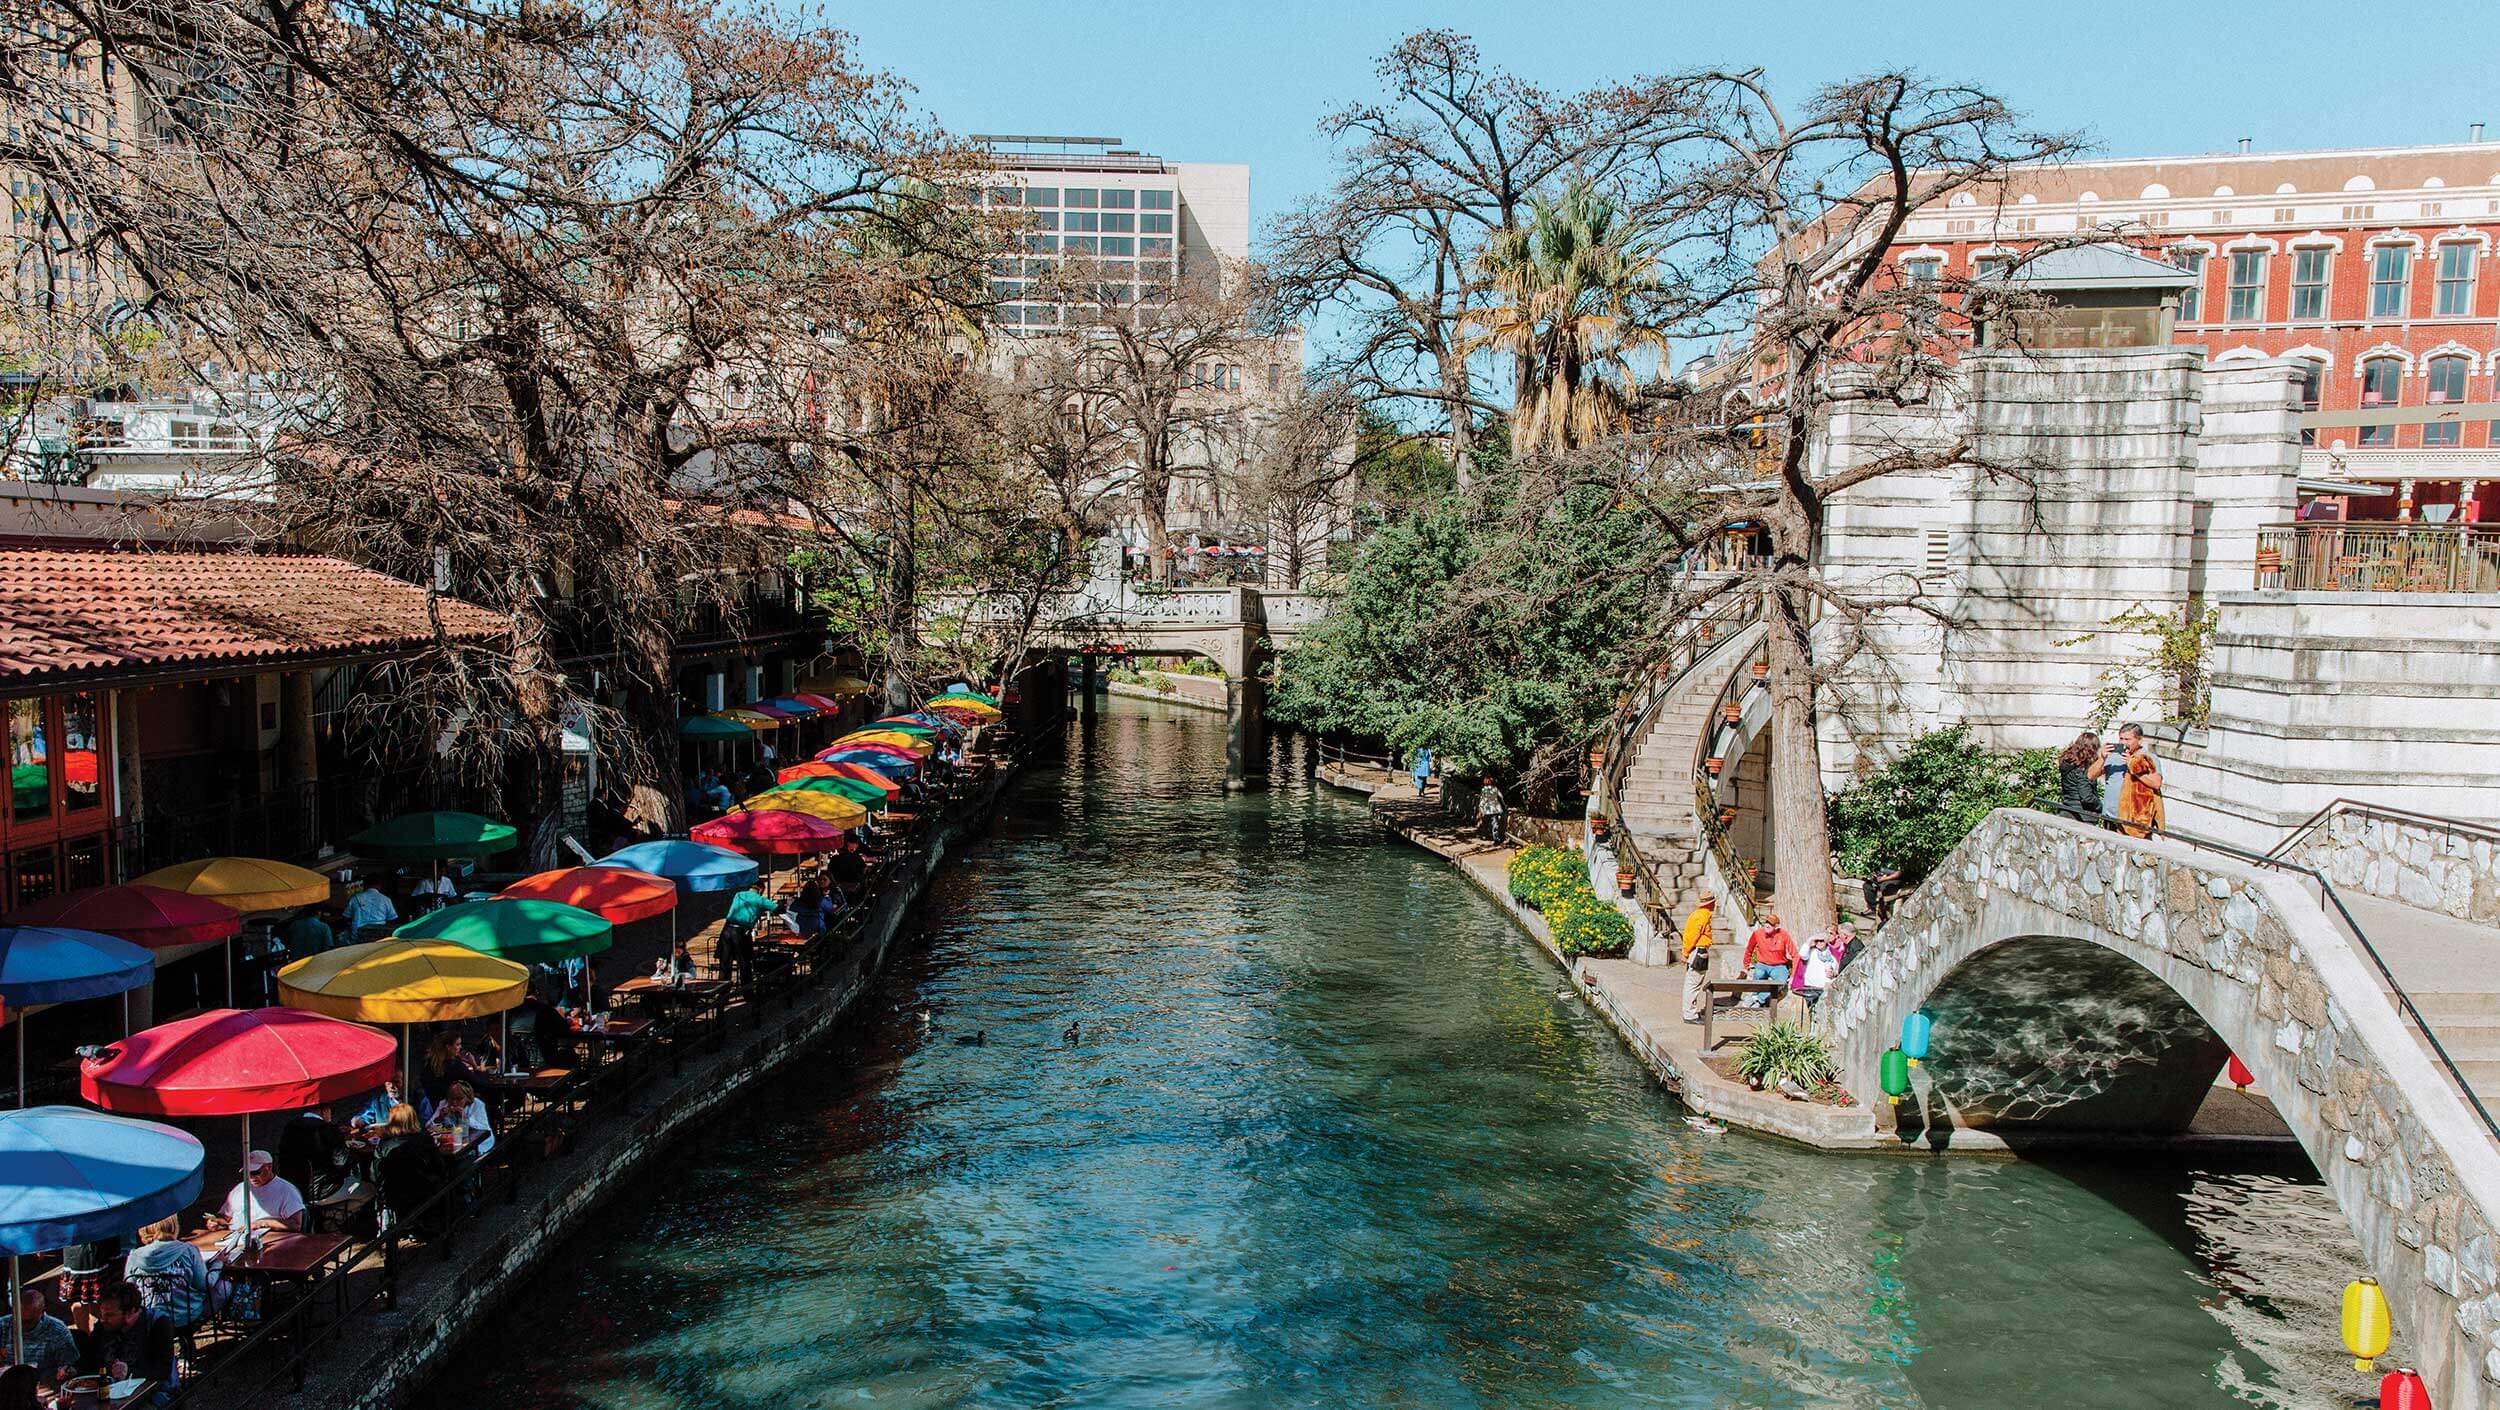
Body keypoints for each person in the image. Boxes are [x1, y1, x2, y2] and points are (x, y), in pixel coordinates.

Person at [76, 1284, 177, 1394]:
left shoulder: (157, 1324)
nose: (103, 1319)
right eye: (102, 1314)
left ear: (130, 1313)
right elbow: (90, 1357)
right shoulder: (104, 1325)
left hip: (152, 1392)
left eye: (110, 1315)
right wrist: (75, 1369)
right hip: (110, 1390)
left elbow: (163, 1371)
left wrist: (129, 1372)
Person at [374, 1104, 453, 1232]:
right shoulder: (424, 1140)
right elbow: (440, 1167)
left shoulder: (384, 1145)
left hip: (393, 1193)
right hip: (423, 1189)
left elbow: (376, 1173)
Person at [122, 1218, 210, 1331]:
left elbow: (129, 1289)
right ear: (174, 1226)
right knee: (222, 1288)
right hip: (185, 1315)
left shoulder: (134, 1256)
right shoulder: (188, 1250)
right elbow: (204, 1285)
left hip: (150, 1316)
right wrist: (218, 1264)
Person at [212, 1150, 305, 1234]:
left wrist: (262, 1223)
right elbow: (225, 1216)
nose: (251, 1177)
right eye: (247, 1173)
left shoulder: (287, 1190)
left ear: (269, 1167)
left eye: (255, 1172)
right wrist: (216, 1222)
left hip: (269, 1240)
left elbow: (296, 1224)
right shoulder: (240, 1188)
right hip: (234, 1237)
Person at [275, 1105, 351, 1208]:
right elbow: (341, 1162)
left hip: (292, 1188)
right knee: (368, 1191)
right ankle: (333, 1218)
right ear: (324, 1111)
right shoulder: (327, 1128)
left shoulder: (290, 1127)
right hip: (322, 1189)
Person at [9, 1287, 76, 1382]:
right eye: (19, 1319)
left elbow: (70, 1364)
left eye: (29, 1321)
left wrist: (64, 1371)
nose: (23, 1325)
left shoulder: (57, 1330)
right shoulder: (3, 1326)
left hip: (44, 1382)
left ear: (42, 1312)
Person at [720, 885, 777, 990]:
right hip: (741, 933)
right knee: (744, 964)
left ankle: (722, 994)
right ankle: (747, 992)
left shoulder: (739, 895)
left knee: (725, 964)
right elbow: (778, 909)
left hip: (727, 930)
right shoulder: (760, 900)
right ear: (760, 890)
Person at [1739, 911, 1798, 1007]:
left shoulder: (1783, 935)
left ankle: (1758, 999)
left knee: (1781, 981)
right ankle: (1754, 995)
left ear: (1776, 927)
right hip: (1762, 964)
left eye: (1771, 924)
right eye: (1766, 922)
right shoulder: (1757, 934)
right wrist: (1745, 967)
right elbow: (1749, 950)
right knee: (1758, 973)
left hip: (1779, 966)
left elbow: (1795, 955)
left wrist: (1793, 976)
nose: (1767, 925)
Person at [2120, 730, 2166, 838]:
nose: (2123, 743)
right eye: (2121, 738)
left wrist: (2133, 767)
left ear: (2139, 740)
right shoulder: (2117, 755)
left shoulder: (2148, 757)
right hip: (2113, 819)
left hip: (2136, 822)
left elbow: (2156, 783)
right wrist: (2103, 758)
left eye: (2127, 739)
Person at [429, 1080, 494, 1155]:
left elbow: (484, 1128)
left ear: (468, 1098)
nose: (454, 1102)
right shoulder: (444, 1103)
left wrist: (465, 1118)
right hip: (451, 1144)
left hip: (478, 1144)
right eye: (451, 1098)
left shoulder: (477, 1104)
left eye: (459, 1099)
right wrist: (439, 1119)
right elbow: (429, 1127)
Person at [1678, 896, 1717, 1023]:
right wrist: (1685, 952)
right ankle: (1690, 1014)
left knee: (1693, 983)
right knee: (1693, 984)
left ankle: (1690, 1012)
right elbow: (1692, 937)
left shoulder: (1700, 915)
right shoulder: (1702, 916)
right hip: (1698, 951)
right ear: (1710, 904)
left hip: (1698, 950)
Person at [2056, 731, 2103, 822]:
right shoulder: (2084, 768)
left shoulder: (2067, 763)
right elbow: (2086, 797)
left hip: (2067, 809)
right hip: (2083, 816)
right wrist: (2100, 806)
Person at [341, 877, 398, 941]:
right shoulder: (386, 899)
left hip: (358, 937)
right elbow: (393, 919)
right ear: (379, 886)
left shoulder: (355, 898)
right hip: (380, 936)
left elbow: (346, 917)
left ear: (365, 885)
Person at [1793, 934, 1842, 1004]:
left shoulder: (1833, 953)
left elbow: (1838, 969)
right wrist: (1811, 939)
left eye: (1821, 941)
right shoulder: (1810, 951)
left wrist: (1833, 973)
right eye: (1817, 941)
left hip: (1826, 988)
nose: (1819, 943)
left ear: (1826, 941)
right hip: (1811, 988)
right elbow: (1802, 954)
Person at [1474, 775, 1507, 845]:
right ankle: (1496, 838)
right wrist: (1504, 806)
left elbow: (1482, 800)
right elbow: (1501, 797)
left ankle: (1485, 835)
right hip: (1495, 809)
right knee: (1495, 824)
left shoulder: (1484, 789)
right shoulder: (1495, 789)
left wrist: (1480, 808)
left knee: (1485, 823)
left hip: (1487, 810)